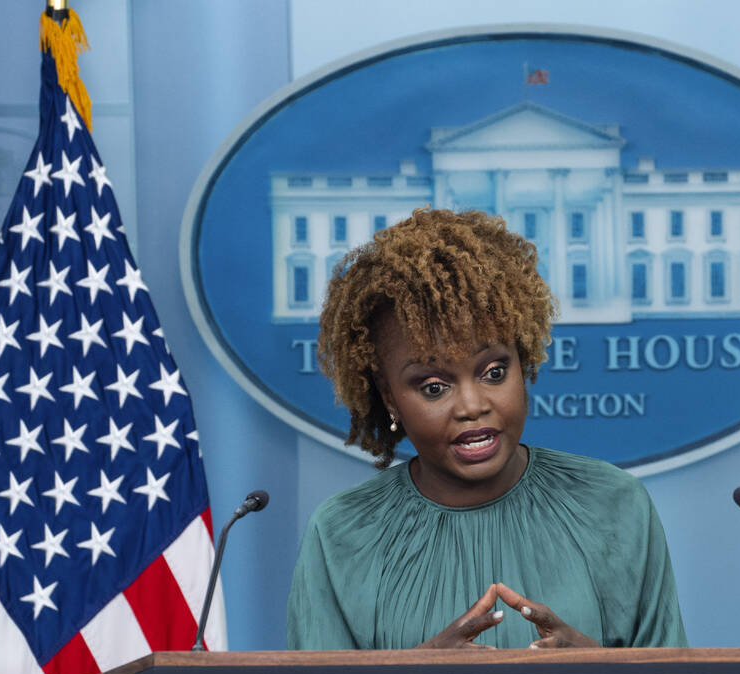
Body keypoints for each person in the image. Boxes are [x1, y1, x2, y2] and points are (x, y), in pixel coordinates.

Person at [286, 208, 687, 650]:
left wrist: (596, 671)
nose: (473, 406)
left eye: (494, 372)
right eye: (434, 387)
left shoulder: (615, 505)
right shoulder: (343, 533)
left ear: (524, 361)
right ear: (388, 396)